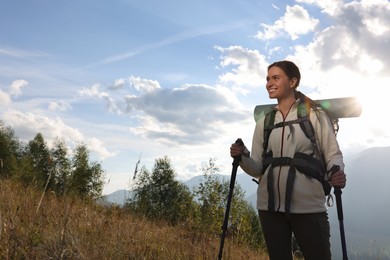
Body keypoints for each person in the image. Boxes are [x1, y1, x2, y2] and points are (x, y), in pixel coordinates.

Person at [230, 60, 346, 260]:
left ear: (293, 82)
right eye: (267, 79)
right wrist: (242, 157)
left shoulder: (314, 115)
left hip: (308, 206)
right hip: (269, 207)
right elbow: (257, 168)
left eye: (276, 78)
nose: (269, 83)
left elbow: (332, 152)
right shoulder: (264, 122)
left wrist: (336, 170)